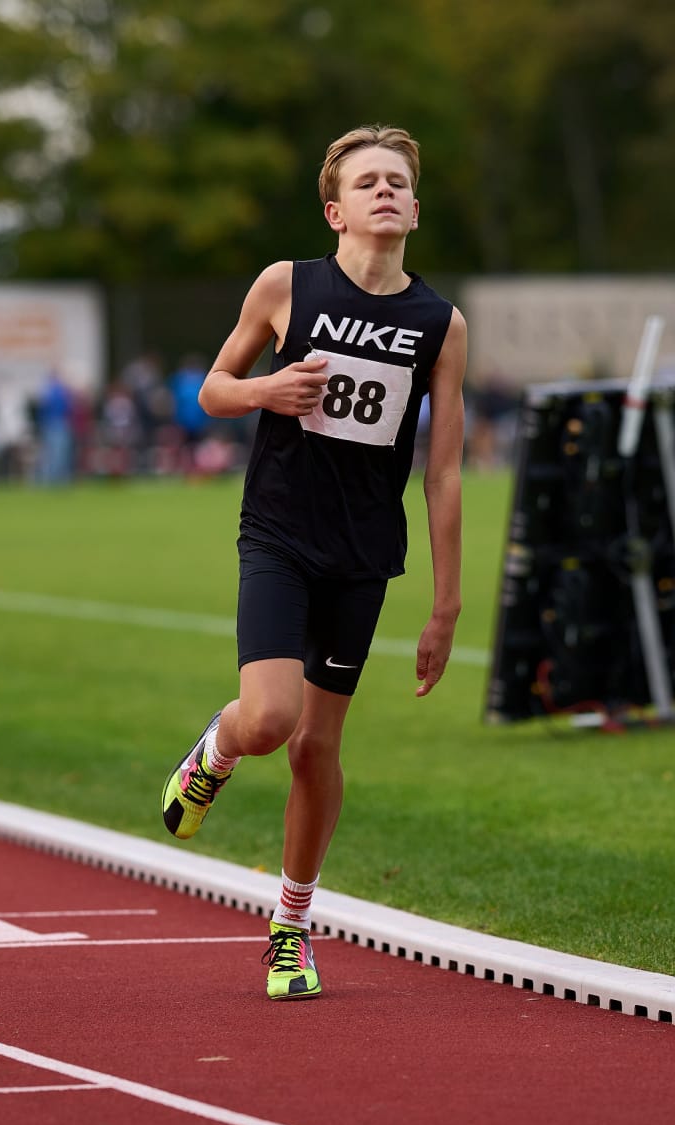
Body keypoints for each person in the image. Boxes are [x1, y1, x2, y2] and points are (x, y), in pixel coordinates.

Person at [161, 125, 466, 1001]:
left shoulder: (440, 325)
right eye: (367, 182)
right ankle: (214, 752)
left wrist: (446, 606)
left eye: (396, 181)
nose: (384, 191)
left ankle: (290, 931)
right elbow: (213, 391)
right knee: (269, 720)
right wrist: (267, 390)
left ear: (415, 208)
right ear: (336, 211)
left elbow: (444, 473)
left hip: (362, 553)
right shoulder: (287, 285)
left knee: (316, 747)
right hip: (280, 534)